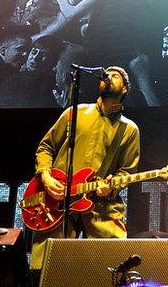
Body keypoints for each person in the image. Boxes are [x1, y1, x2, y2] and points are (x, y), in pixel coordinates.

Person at [29, 66, 140, 271]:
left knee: (110, 269)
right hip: (56, 203)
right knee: (46, 268)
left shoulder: (129, 129)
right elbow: (46, 147)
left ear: (125, 89)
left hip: (99, 205)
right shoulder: (75, 113)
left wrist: (111, 188)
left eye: (115, 76)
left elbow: (126, 171)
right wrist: (45, 176)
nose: (108, 77)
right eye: (105, 75)